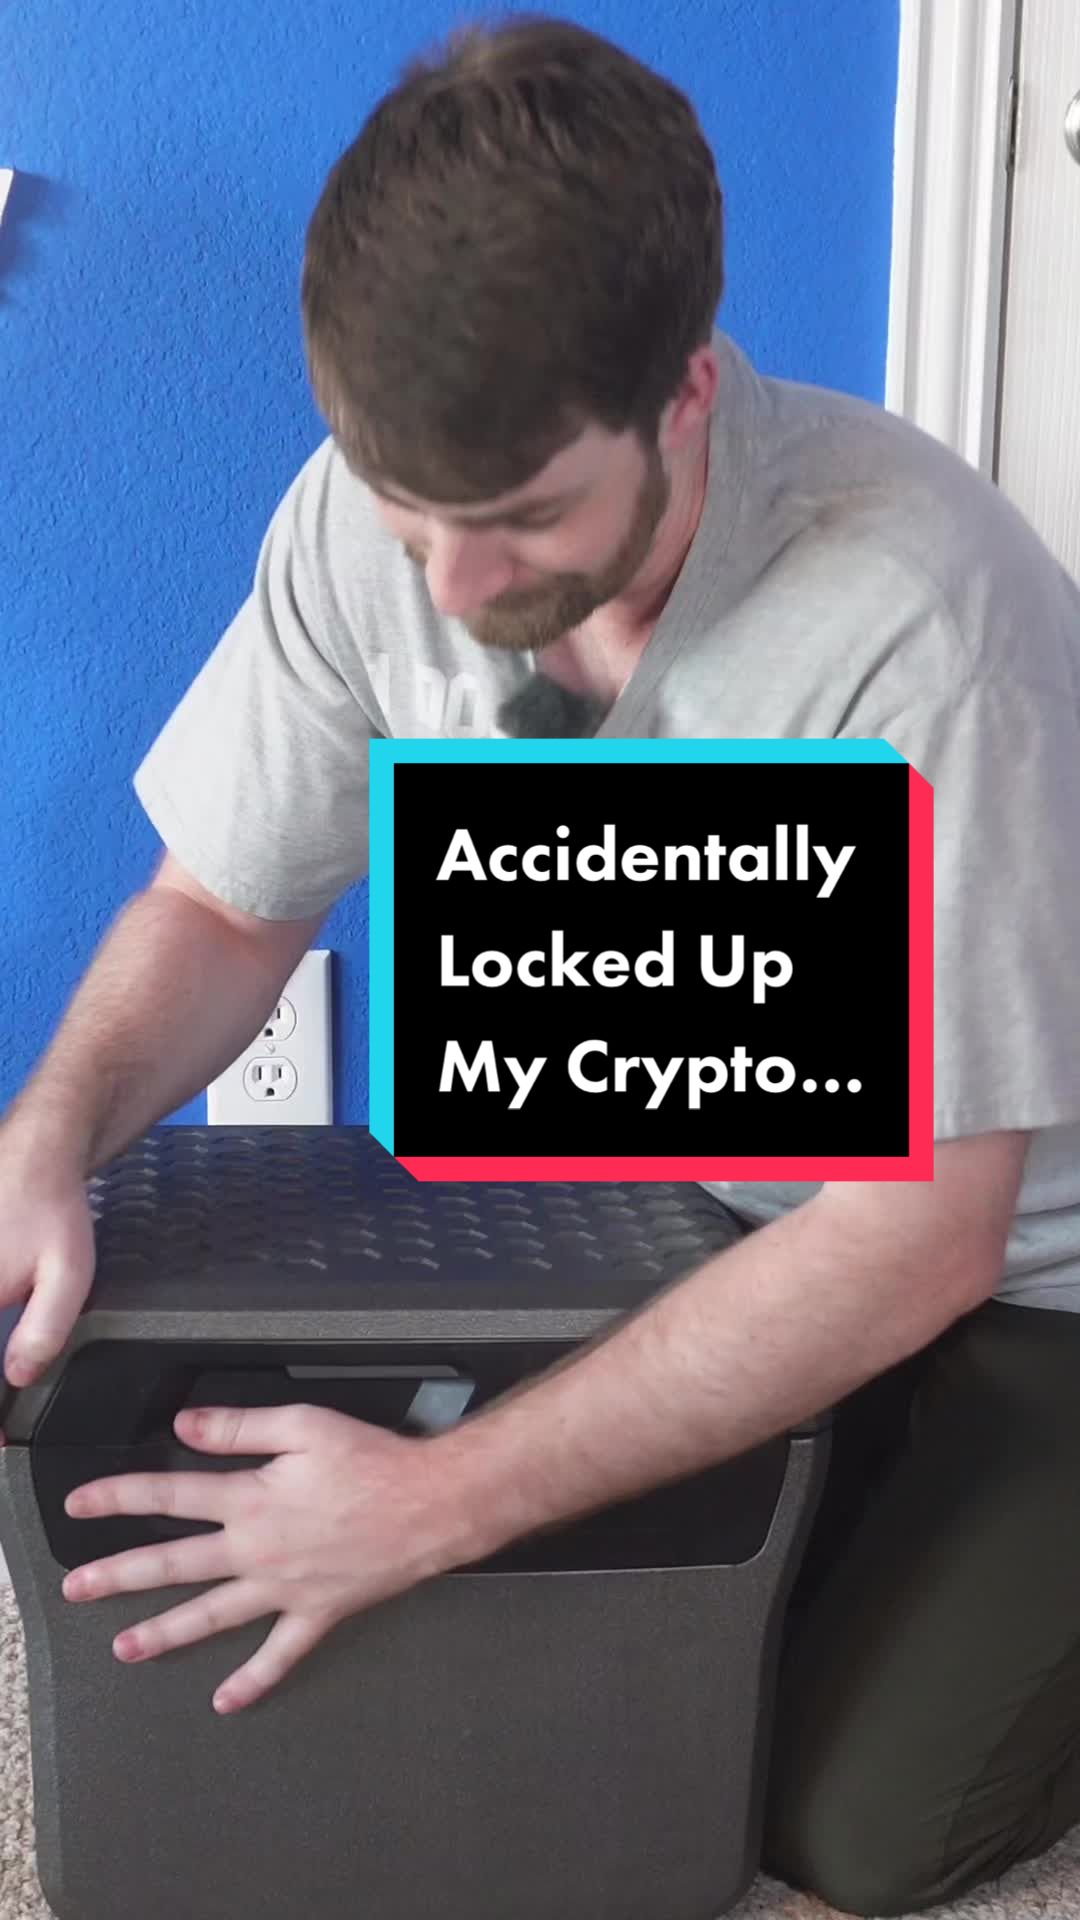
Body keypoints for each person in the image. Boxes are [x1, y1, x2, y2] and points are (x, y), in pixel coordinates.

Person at [4, 16, 1080, 1915]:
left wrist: (436, 1503)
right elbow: (225, 906)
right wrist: (50, 1132)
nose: (448, 590)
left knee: (837, 1826)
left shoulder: (918, 622)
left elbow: (922, 1233)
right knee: (571, 1698)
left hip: (1025, 1271)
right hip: (713, 1199)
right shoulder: (384, 515)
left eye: (517, 523)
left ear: (687, 395)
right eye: (406, 513)